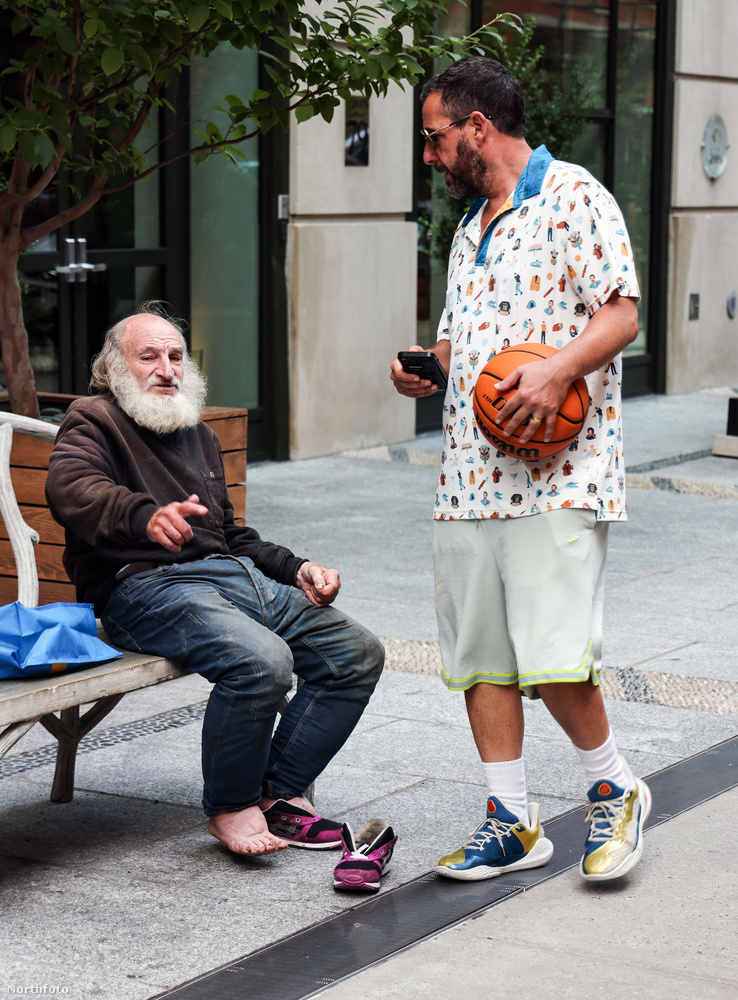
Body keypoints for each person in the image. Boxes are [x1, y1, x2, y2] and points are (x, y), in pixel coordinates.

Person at [391, 58, 650, 883]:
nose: (430, 156)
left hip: (560, 473)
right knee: (481, 654)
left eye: (434, 138)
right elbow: (459, 339)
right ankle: (511, 818)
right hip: (468, 474)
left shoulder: (576, 196)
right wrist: (426, 367)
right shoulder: (472, 224)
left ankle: (614, 788)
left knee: (554, 652)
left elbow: (622, 312)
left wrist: (557, 370)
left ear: (477, 128)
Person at [46, 302, 384, 856]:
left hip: (232, 578)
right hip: (146, 588)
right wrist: (145, 516)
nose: (166, 368)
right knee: (262, 661)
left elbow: (233, 536)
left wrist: (297, 568)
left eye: (176, 356)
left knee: (356, 653)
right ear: (114, 369)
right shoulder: (93, 418)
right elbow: (70, 487)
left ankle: (277, 793)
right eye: (149, 356)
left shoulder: (195, 431)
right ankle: (230, 805)